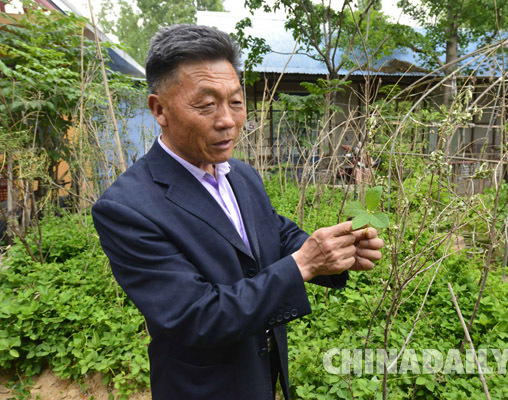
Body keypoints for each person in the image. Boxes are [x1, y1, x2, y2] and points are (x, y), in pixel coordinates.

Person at [91, 24, 384, 400]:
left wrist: (338, 252)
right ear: (159, 109)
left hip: (261, 375)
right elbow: (195, 317)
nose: (227, 120)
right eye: (206, 104)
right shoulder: (127, 207)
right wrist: (303, 264)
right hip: (203, 389)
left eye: (236, 101)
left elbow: (274, 234)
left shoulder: (239, 173)